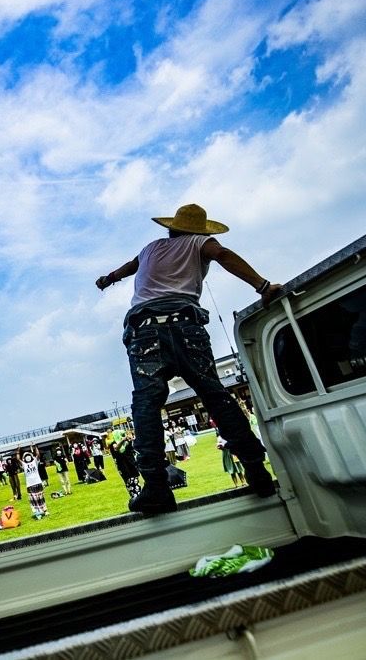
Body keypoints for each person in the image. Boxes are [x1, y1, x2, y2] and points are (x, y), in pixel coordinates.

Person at [95, 203, 279, 515]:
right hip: (186, 325)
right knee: (215, 396)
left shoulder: (151, 248)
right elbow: (223, 255)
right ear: (198, 229)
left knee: (146, 405)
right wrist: (262, 286)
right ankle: (256, 470)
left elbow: (129, 266)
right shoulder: (200, 242)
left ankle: (156, 487)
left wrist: (108, 279)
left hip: (145, 331)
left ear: (171, 228)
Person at [18, 446, 48, 519]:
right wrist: (18, 450)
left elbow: (38, 455)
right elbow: (18, 459)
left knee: (41, 497)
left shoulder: (35, 462)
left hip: (38, 483)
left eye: (28, 455)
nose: (28, 457)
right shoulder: (24, 464)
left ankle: (45, 510)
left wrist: (35, 447)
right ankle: (37, 512)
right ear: (24, 458)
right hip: (30, 485)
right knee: (33, 499)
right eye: (26, 456)